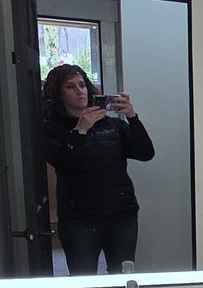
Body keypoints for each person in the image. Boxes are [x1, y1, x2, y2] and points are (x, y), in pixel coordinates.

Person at [41, 64, 154, 275]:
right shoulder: (51, 128)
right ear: (59, 94)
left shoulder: (112, 125)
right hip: (79, 219)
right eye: (70, 86)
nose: (79, 91)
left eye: (82, 84)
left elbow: (146, 153)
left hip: (122, 214)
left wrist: (132, 117)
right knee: (83, 279)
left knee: (123, 277)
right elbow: (65, 164)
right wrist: (81, 130)